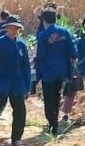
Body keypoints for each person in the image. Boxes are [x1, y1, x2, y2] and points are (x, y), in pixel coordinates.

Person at [0, 16, 30, 146]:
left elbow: (26, 67)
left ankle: (16, 138)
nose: (15, 30)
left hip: (17, 84)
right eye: (12, 27)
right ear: (7, 28)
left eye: (17, 28)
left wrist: (27, 87)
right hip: (1, 84)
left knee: (20, 111)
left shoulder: (21, 45)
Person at [33, 8, 77, 136]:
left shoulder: (43, 35)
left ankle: (52, 124)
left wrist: (35, 61)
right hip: (62, 70)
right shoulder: (64, 32)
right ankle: (54, 123)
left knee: (48, 98)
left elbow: (41, 55)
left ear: (44, 20)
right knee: (57, 96)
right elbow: (73, 52)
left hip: (48, 71)